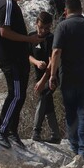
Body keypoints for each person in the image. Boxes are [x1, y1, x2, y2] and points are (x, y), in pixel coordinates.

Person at [0, 0, 44, 149]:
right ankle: (1, 130)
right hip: (11, 59)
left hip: (19, 59)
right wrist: (28, 40)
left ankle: (12, 132)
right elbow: (4, 31)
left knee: (20, 96)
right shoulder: (7, 5)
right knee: (15, 94)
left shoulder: (12, 5)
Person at [48, 0, 84, 159]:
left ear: (66, 10)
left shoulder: (62, 26)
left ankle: (74, 147)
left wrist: (52, 75)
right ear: (81, 9)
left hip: (68, 77)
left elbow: (56, 51)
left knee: (71, 113)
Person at [28, 12, 61, 143]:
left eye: (47, 28)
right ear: (36, 23)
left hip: (52, 76)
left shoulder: (51, 39)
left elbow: (52, 61)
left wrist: (43, 81)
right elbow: (28, 55)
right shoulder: (31, 36)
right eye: (41, 27)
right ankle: (56, 135)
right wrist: (36, 62)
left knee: (44, 97)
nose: (43, 31)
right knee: (48, 102)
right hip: (38, 76)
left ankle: (36, 131)